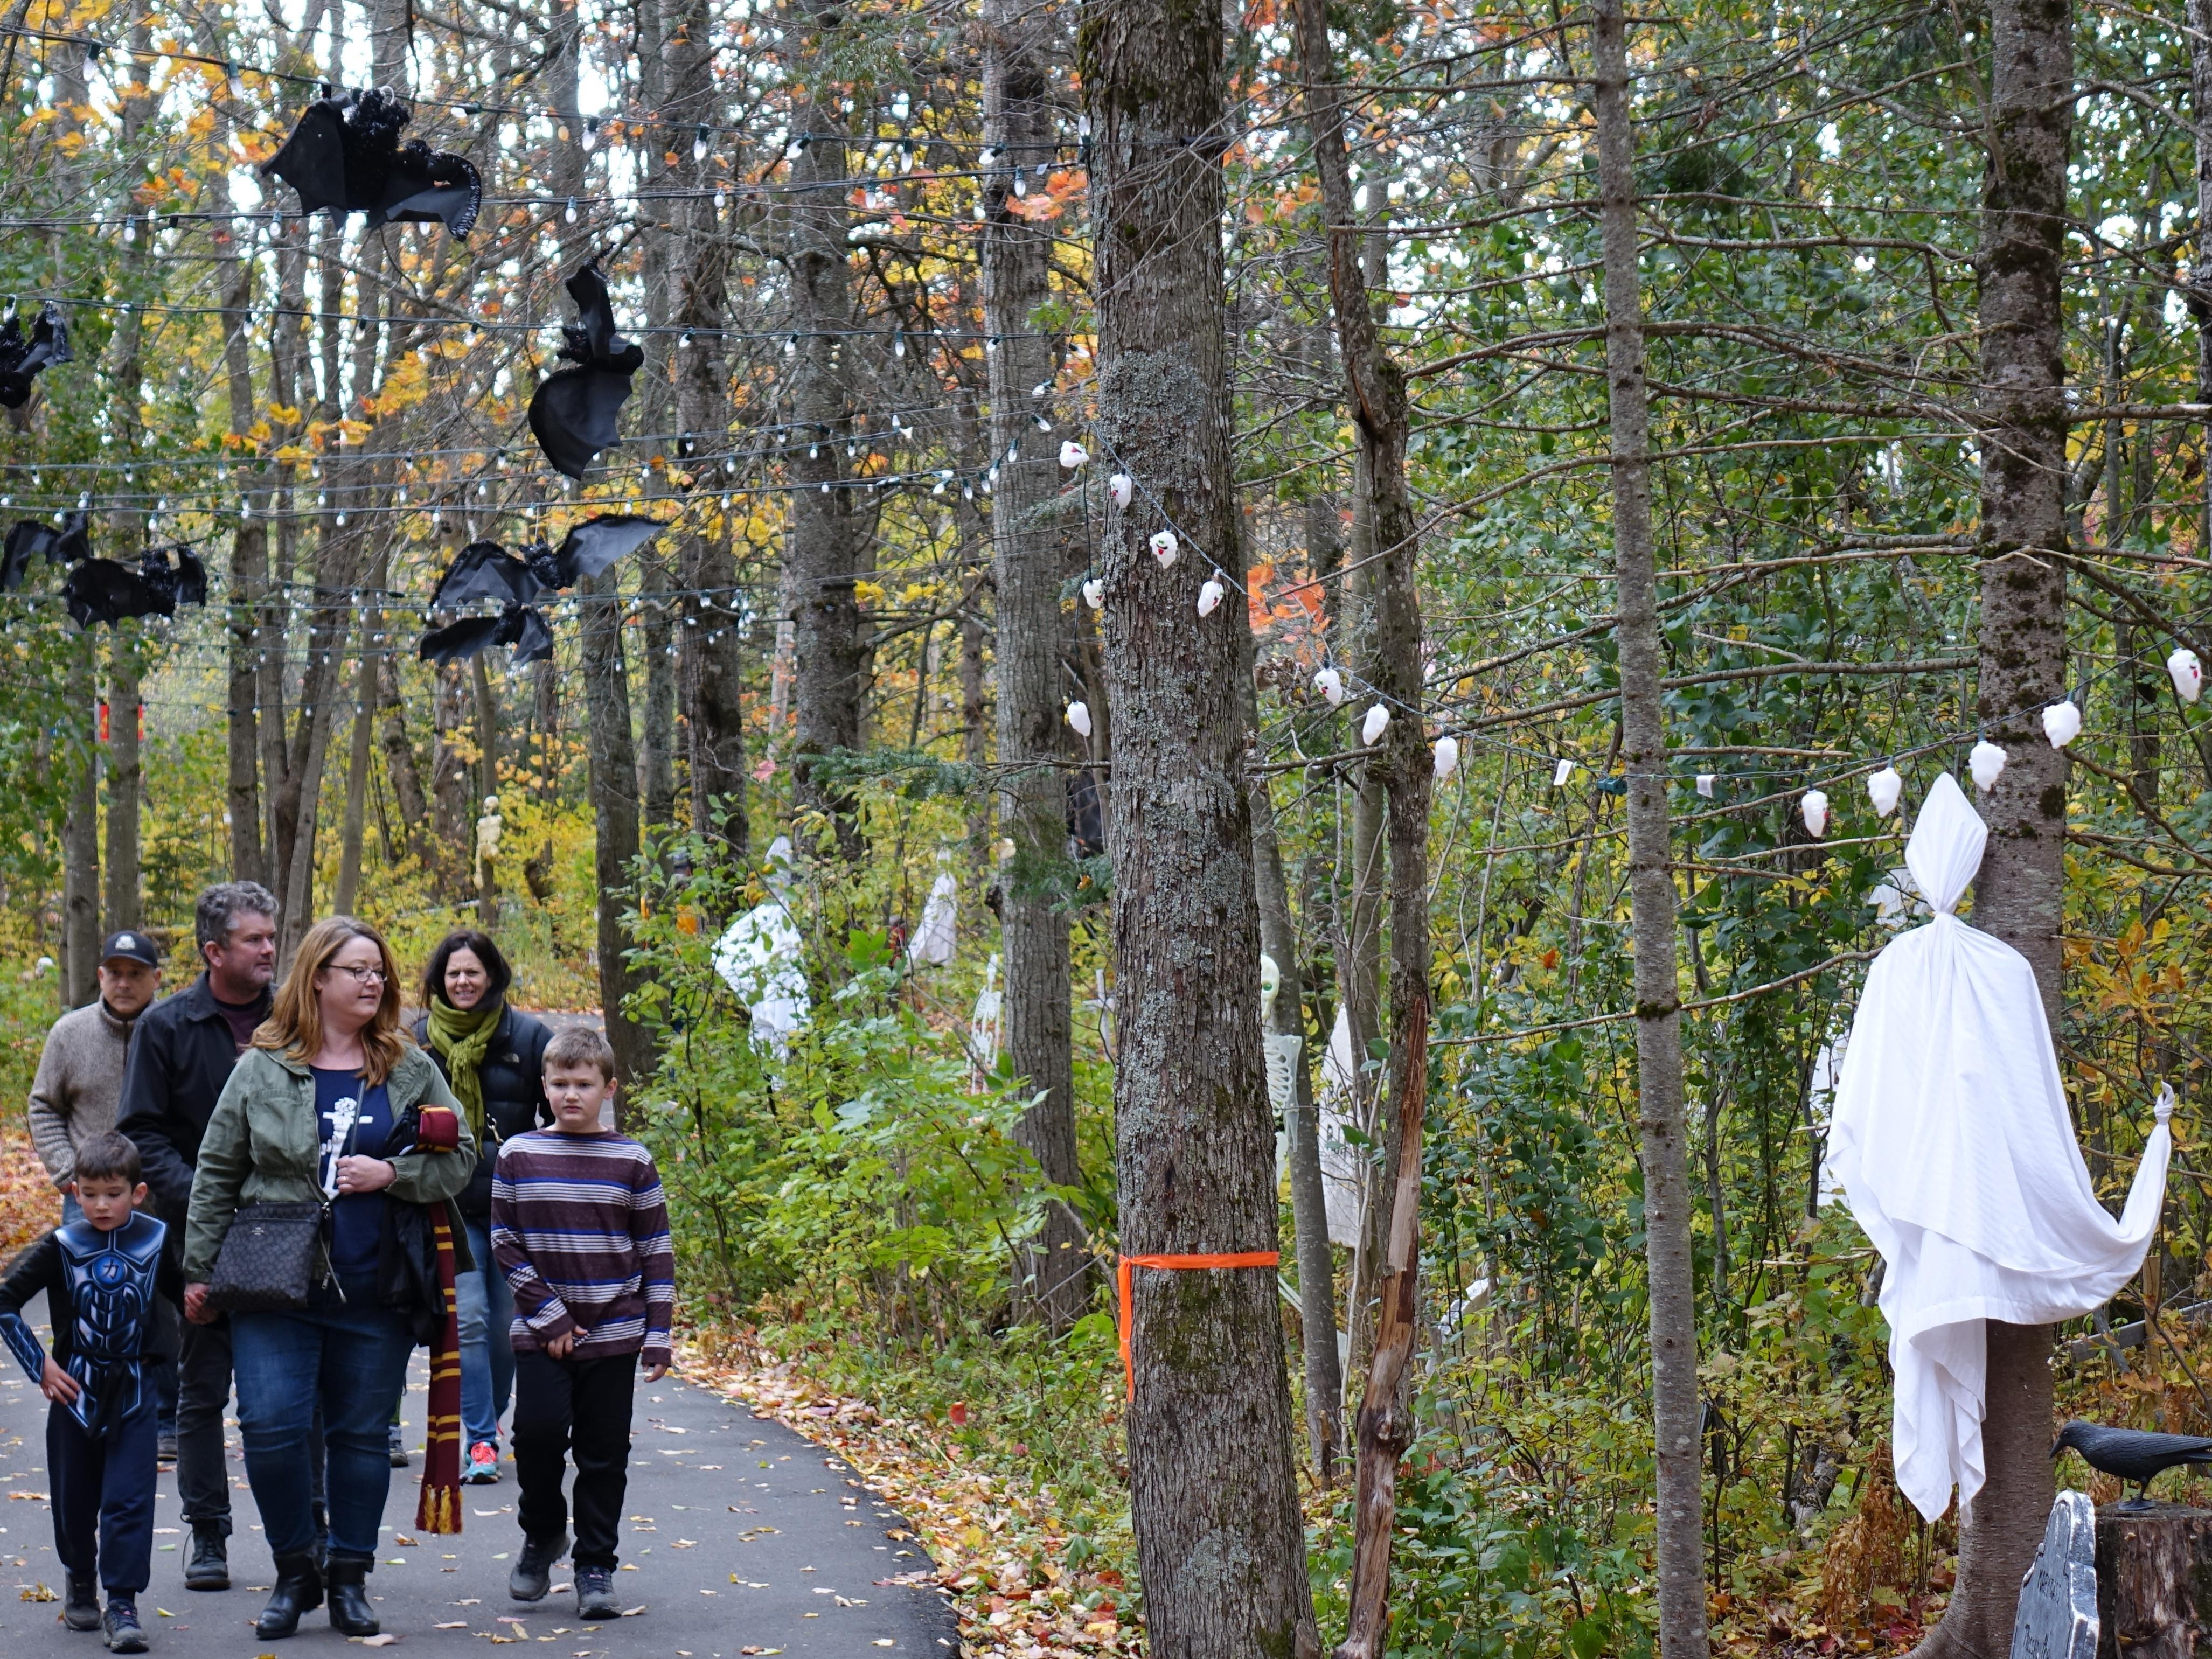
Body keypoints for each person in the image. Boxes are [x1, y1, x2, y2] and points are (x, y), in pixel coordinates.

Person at [180, 916, 476, 1641]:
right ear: (317, 978)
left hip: (375, 1287)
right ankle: (294, 1571)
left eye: (380, 971)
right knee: (269, 1426)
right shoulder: (263, 1066)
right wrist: (199, 1271)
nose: (373, 982)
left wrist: (393, 1173)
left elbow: (462, 1156)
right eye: (357, 970)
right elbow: (217, 1170)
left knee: (361, 1436)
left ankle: (348, 1576)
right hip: (274, 1286)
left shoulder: (410, 1067)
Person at [116, 883, 279, 1591]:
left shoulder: (296, 1016)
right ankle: (208, 1533)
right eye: (253, 939)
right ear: (214, 951)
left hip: (291, 1236)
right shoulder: (167, 1027)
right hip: (197, 1242)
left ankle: (306, 1530)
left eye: (271, 936)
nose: (269, 948)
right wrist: (209, 1203)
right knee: (202, 1392)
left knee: (290, 1395)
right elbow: (141, 1134)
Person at [492, 1027, 672, 1620]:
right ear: (544, 1087)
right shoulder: (518, 1154)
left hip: (614, 1331)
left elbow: (655, 1251)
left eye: (584, 1084)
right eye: (561, 1083)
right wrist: (549, 1315)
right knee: (536, 1437)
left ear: (608, 1089)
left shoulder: (631, 1160)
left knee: (603, 1453)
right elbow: (505, 1240)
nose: (572, 1095)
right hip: (541, 1331)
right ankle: (544, 1533)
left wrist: (658, 1333)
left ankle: (596, 1565)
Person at [0, 1133, 183, 1654]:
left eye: (114, 1194)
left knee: (129, 1500)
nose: (102, 1205)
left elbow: (186, 1295)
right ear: (75, 1192)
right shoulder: (62, 1244)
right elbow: (5, 1300)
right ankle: (81, 1577)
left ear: (138, 1193)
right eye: (91, 1194)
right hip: (73, 1392)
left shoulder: (156, 1240)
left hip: (135, 1391)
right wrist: (40, 1364)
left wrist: (217, 1314)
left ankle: (122, 1604)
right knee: (74, 1500)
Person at [28, 932, 176, 1461]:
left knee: (161, 1303)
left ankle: (164, 1418)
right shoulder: (70, 1033)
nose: (124, 982)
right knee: (85, 1299)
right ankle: (84, 1403)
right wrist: (70, 1172)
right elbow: (43, 1106)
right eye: (115, 972)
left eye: (136, 973)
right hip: (87, 1192)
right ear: (100, 977)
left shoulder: (173, 1030)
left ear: (156, 978)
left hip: (159, 1191)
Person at [411, 930, 550, 1486]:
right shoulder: (419, 1042)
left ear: (492, 975)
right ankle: (481, 1439)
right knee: (467, 1320)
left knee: (504, 1329)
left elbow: (559, 1117)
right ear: (439, 980)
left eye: (473, 972)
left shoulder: (528, 1038)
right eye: (454, 973)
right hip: (447, 1205)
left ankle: (489, 1418)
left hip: (512, 1210)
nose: (463, 982)